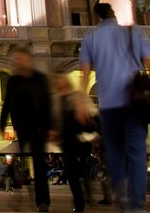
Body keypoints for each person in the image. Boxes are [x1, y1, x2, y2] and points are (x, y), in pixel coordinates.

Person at [80, 1, 150, 212]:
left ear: (97, 18)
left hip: (109, 104)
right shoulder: (134, 33)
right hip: (135, 101)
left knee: (115, 151)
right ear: (115, 14)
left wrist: (82, 101)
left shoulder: (90, 39)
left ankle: (121, 195)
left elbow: (84, 74)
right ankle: (137, 201)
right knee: (137, 150)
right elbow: (148, 62)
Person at [0, 45, 52, 211]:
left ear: (28, 59)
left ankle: (42, 202)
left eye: (21, 58)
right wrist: (2, 123)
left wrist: (51, 127)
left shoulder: (39, 79)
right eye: (16, 59)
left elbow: (48, 103)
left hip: (38, 127)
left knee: (39, 165)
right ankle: (24, 192)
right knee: (18, 162)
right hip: (21, 127)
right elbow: (7, 103)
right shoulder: (14, 80)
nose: (18, 62)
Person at [57, 74, 94, 213]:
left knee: (79, 173)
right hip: (66, 142)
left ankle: (82, 201)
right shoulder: (57, 100)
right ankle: (80, 203)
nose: (59, 85)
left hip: (79, 142)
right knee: (73, 176)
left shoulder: (75, 97)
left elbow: (89, 116)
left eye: (61, 82)